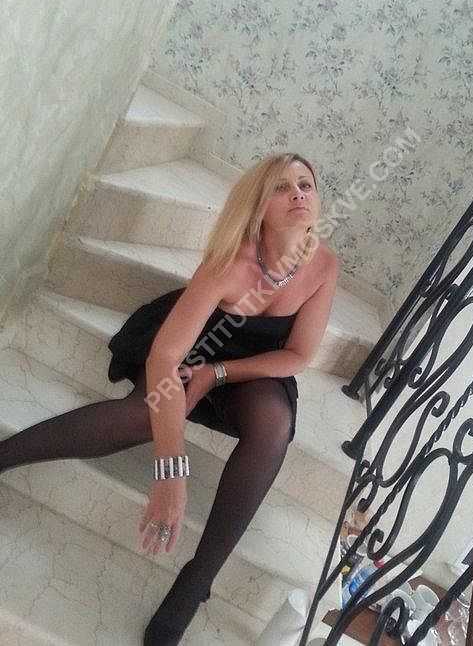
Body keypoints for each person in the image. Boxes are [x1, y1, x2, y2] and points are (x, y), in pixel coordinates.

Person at [0, 151, 339, 645]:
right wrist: (171, 470)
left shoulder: (323, 264)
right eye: (282, 187)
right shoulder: (232, 260)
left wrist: (217, 374)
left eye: (305, 184)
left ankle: (196, 581)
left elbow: (298, 355)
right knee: (147, 413)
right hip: (188, 345)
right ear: (259, 205)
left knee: (274, 427)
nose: (298, 195)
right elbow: (165, 357)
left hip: (245, 367)